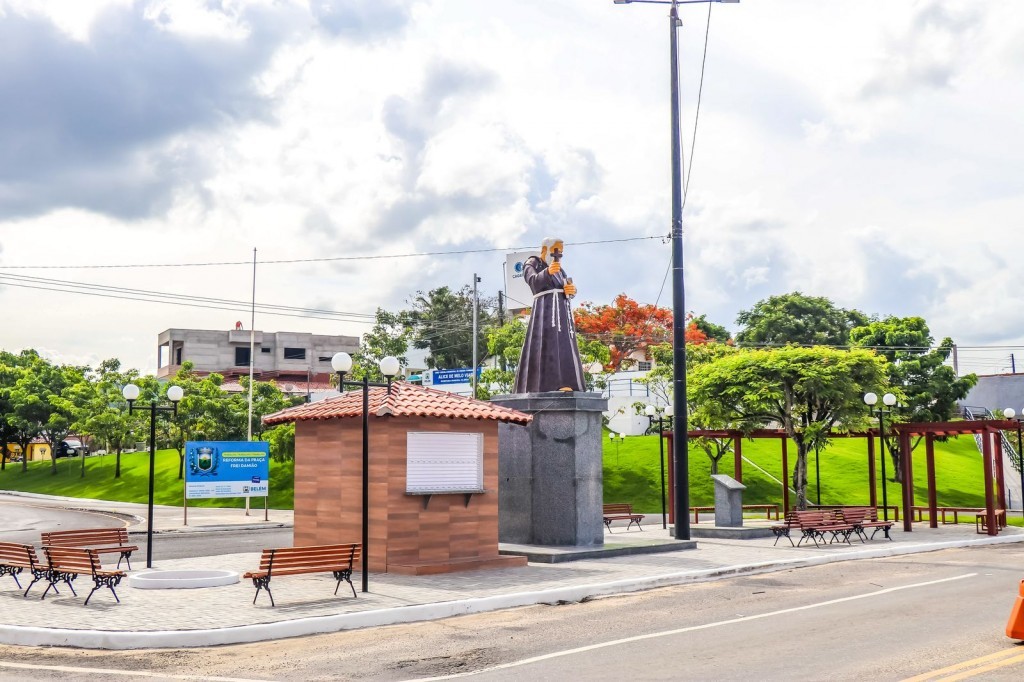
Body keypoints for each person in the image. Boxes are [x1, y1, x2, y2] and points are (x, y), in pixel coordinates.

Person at [513, 237, 586, 393]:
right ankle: (549, 384)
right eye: (555, 251)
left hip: (562, 313)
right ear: (545, 250)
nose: (558, 255)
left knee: (565, 347)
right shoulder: (533, 263)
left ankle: (569, 382)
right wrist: (546, 272)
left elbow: (566, 286)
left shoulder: (560, 270)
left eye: (561, 252)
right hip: (544, 312)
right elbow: (532, 281)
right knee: (548, 346)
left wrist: (571, 290)